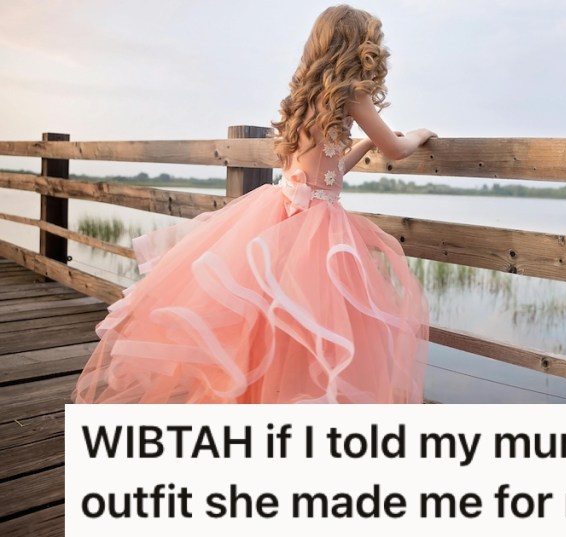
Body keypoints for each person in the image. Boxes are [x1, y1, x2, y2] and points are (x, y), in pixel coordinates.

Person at [74, 5, 433, 404]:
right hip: (314, 229)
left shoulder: (303, 97)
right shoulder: (351, 94)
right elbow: (396, 149)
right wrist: (419, 134)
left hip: (280, 215)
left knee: (268, 324)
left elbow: (326, 175)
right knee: (312, 327)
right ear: (359, 46)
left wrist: (361, 145)